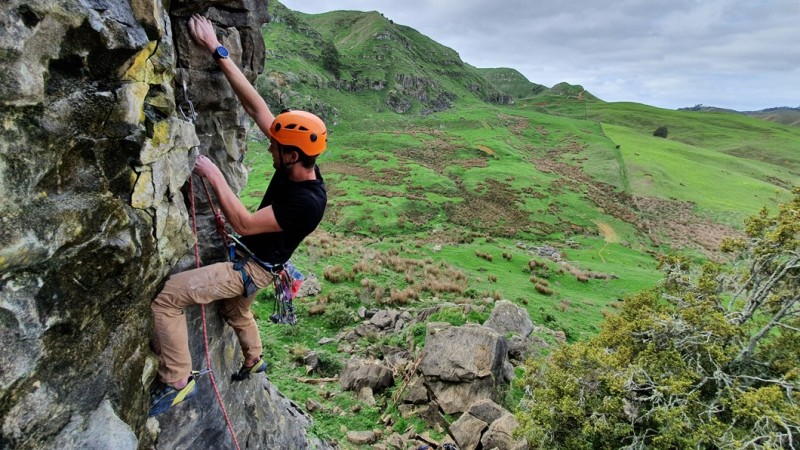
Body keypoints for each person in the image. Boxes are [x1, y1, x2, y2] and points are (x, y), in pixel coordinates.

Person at [148, 14, 328, 417]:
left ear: (292, 154)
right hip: (261, 262)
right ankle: (254, 358)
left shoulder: (307, 201)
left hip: (253, 267)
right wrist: (218, 50)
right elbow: (257, 105)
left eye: (276, 147)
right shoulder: (297, 162)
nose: (269, 148)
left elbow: (244, 224)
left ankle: (176, 379)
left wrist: (213, 175)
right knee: (235, 309)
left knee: (169, 299)